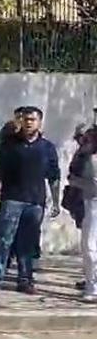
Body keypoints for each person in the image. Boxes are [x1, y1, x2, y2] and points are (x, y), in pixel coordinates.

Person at [0, 106, 60, 295]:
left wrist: (56, 201)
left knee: (28, 243)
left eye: (33, 119)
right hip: (11, 200)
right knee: (3, 241)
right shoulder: (8, 145)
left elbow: (54, 176)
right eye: (26, 119)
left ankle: (25, 280)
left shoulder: (47, 148)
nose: (28, 122)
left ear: (40, 122)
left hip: (35, 203)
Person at [68, 127, 97, 302]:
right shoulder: (86, 158)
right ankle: (91, 283)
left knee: (90, 247)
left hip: (93, 204)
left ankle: (92, 286)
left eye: (87, 140)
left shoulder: (93, 161)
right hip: (89, 204)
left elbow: (94, 186)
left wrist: (74, 181)